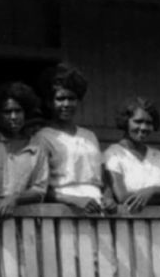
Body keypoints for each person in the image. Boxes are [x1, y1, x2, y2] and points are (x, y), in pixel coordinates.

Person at [33, 64, 116, 215]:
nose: (66, 104)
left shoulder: (89, 136)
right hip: (66, 210)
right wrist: (75, 200)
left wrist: (108, 197)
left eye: (71, 99)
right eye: (60, 99)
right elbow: (40, 188)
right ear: (49, 102)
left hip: (97, 207)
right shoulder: (43, 137)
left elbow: (104, 180)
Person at [0, 82, 48, 219]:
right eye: (7, 112)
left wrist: (14, 198)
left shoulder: (37, 146)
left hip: (24, 221)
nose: (13, 117)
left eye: (18, 111)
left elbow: (40, 189)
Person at [103, 97, 160, 213]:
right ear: (126, 121)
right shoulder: (114, 154)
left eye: (149, 123)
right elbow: (122, 196)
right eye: (138, 121)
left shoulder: (157, 155)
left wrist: (151, 191)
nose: (144, 127)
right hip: (128, 221)